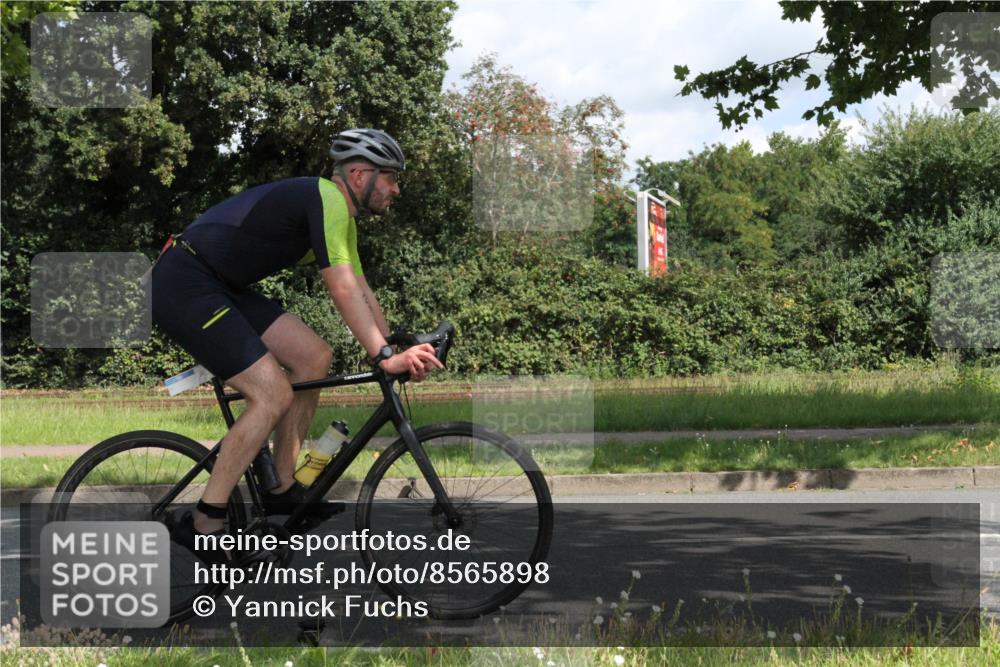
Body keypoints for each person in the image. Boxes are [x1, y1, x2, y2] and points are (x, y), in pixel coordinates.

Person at [150, 129, 443, 563]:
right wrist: (383, 356)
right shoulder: (326, 198)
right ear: (359, 175)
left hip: (220, 284)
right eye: (390, 177)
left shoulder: (341, 218)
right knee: (271, 394)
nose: (396, 188)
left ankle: (282, 487)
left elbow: (360, 288)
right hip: (184, 282)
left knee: (314, 357)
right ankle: (205, 521)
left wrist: (392, 343)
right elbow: (342, 289)